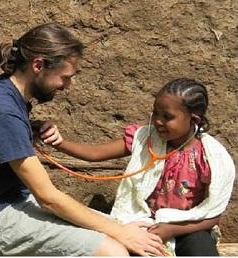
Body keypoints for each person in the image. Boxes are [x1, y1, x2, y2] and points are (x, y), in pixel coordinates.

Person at [0, 23, 164, 256]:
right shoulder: (3, 111)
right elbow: (48, 198)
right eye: (65, 77)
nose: (67, 86)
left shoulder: (5, 92)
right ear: (38, 65)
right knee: (112, 250)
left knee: (131, 230)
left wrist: (30, 129)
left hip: (10, 200)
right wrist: (119, 232)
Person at [37, 78, 235, 256]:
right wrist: (58, 142)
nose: (158, 121)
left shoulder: (212, 158)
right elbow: (94, 154)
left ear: (194, 120)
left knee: (200, 248)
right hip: (144, 223)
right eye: (155, 113)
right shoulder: (145, 139)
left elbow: (212, 215)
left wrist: (173, 229)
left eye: (168, 117)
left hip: (189, 227)